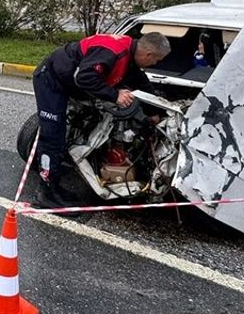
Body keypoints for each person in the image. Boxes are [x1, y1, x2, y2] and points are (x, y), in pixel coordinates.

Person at [30, 31, 171, 207]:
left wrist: (155, 113)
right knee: (52, 136)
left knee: (72, 127)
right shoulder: (112, 52)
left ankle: (54, 184)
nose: (155, 64)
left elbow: (141, 83)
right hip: (52, 80)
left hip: (70, 82)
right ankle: (46, 193)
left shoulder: (130, 56)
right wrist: (114, 95)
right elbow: (84, 77)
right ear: (148, 54)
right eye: (156, 60)